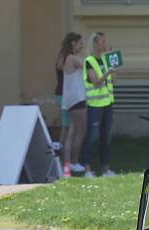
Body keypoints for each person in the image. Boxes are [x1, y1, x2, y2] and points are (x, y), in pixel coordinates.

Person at [80, 32, 116, 178]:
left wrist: (112, 68)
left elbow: (113, 80)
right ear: (94, 44)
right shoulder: (89, 61)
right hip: (95, 105)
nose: (105, 44)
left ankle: (105, 169)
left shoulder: (105, 60)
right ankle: (87, 169)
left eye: (105, 41)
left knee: (105, 137)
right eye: (102, 42)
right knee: (92, 136)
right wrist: (108, 72)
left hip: (107, 103)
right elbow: (96, 82)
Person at [59, 32, 87, 177]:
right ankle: (74, 162)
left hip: (71, 100)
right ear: (73, 44)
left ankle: (67, 166)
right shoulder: (72, 58)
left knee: (72, 131)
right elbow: (87, 66)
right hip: (77, 100)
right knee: (80, 131)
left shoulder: (67, 58)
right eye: (80, 43)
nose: (81, 46)